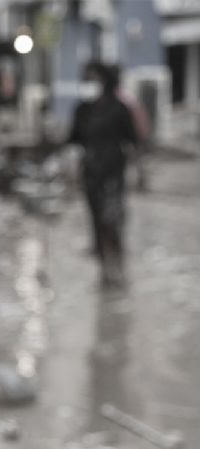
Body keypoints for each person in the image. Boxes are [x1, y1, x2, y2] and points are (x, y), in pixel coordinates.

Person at [68, 61, 139, 288]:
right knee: (96, 219)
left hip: (113, 172)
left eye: (95, 79)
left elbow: (133, 140)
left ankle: (116, 264)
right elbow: (73, 140)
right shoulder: (82, 110)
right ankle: (104, 268)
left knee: (113, 218)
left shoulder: (119, 108)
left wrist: (138, 169)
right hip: (90, 172)